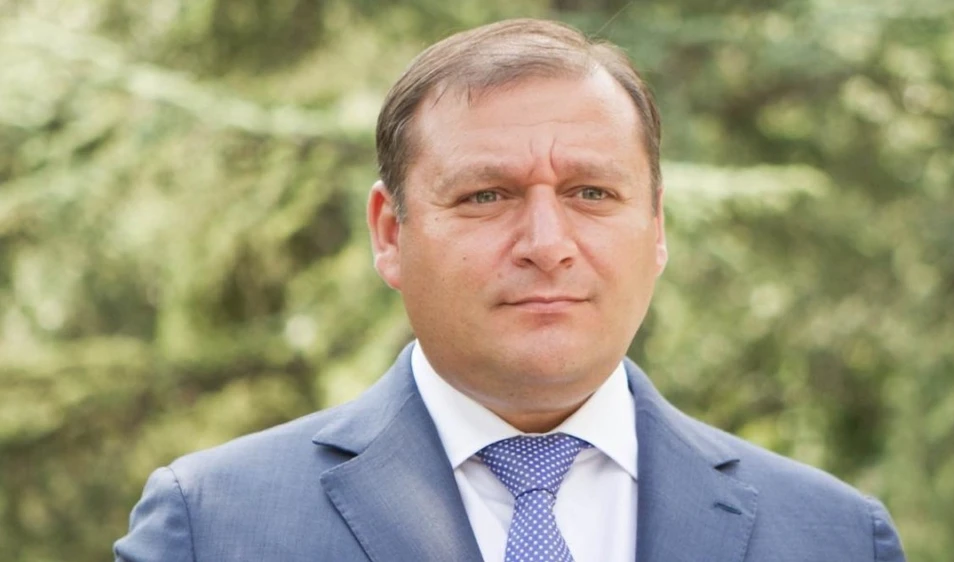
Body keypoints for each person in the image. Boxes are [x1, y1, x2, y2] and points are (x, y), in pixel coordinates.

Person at [115, 18, 906, 562]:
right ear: (390, 233)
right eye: (486, 196)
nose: (547, 244)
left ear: (657, 227)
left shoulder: (833, 537)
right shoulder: (214, 526)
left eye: (592, 193)